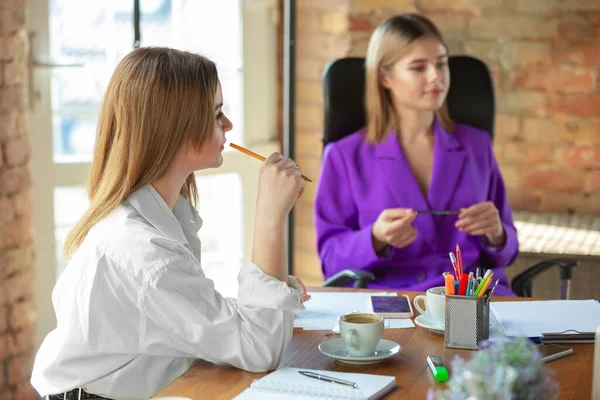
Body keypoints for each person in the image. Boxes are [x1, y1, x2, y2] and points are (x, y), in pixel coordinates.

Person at [31, 47, 309, 400]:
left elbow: (199, 320)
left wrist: (271, 289)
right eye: (216, 114)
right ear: (174, 128)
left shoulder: (164, 214)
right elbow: (259, 351)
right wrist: (270, 216)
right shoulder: (144, 251)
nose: (228, 126)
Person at [314, 14, 518, 296]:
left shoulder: (477, 145)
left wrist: (497, 234)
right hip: (392, 304)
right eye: (418, 67)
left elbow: (507, 253)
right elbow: (330, 263)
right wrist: (374, 238)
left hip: (473, 301)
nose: (436, 76)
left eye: (441, 64)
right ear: (385, 77)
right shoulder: (344, 157)